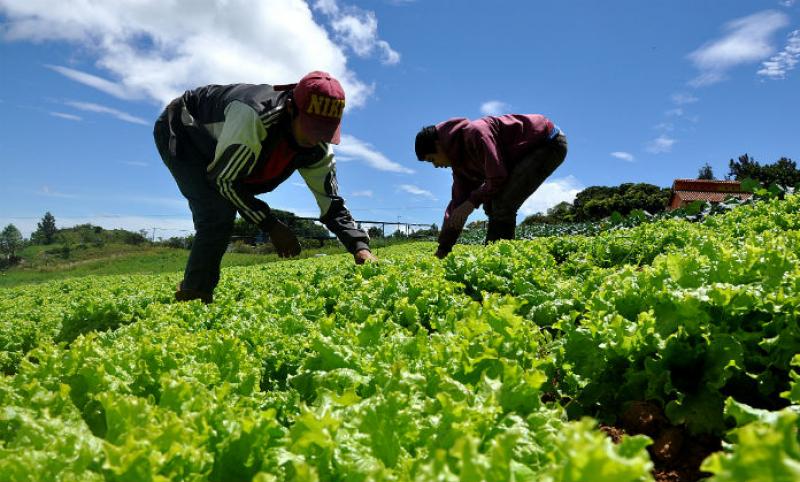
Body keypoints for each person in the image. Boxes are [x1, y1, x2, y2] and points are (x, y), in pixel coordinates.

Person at [154, 71, 376, 303]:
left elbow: (331, 203)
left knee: (230, 196)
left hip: (232, 152)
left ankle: (194, 288)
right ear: (291, 109)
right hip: (185, 128)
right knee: (217, 213)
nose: (315, 139)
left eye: (324, 131)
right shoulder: (254, 117)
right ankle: (194, 296)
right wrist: (271, 225)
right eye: (311, 127)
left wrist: (360, 247)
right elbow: (225, 181)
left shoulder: (318, 148)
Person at [414, 114, 567, 258]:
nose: (435, 165)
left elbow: (497, 176)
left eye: (432, 159)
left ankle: (498, 261)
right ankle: (497, 258)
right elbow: (457, 206)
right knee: (491, 205)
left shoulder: (476, 133)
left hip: (548, 142)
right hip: (522, 155)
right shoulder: (460, 167)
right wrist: (444, 248)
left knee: (501, 203)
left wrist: (471, 203)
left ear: (439, 145)